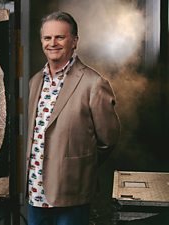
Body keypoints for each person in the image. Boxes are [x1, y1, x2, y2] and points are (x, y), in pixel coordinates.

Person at [26, 11, 120, 225]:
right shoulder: (34, 82)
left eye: (60, 37)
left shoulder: (93, 84)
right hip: (35, 192)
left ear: (74, 41)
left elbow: (108, 140)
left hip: (72, 192)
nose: (53, 43)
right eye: (47, 38)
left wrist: (78, 166)